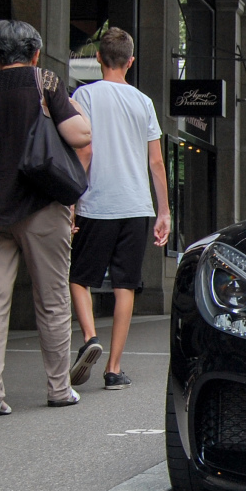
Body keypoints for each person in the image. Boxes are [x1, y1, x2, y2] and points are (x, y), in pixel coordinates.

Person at [0, 20, 92, 417]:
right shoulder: (45, 81)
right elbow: (80, 135)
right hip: (40, 205)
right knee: (52, 299)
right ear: (35, 53)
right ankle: (58, 388)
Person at [68, 28, 170, 390]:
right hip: (136, 205)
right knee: (125, 285)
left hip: (96, 203)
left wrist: (71, 201)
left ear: (98, 58)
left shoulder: (84, 95)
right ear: (130, 61)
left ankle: (91, 337)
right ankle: (113, 368)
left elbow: (85, 150)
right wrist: (164, 212)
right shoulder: (143, 102)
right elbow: (156, 163)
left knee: (79, 278)